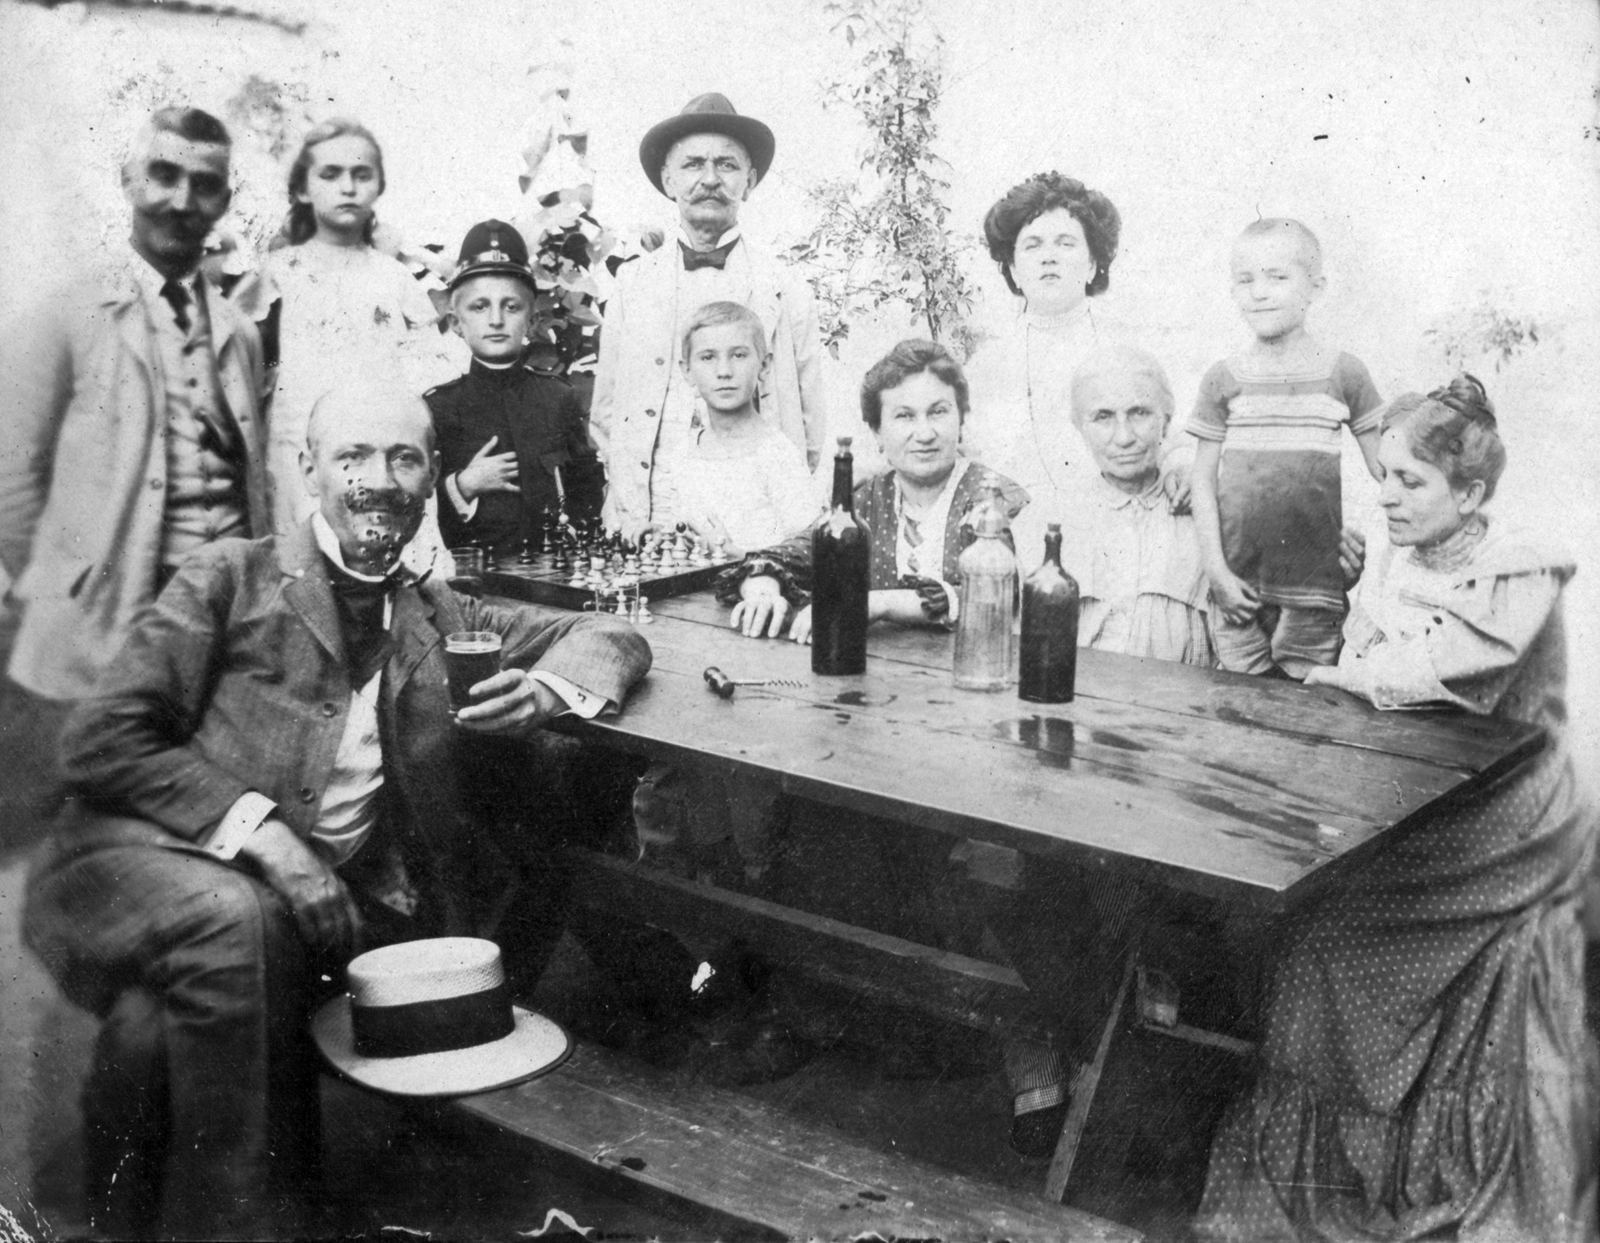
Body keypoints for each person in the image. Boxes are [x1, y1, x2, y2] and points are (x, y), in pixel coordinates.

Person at [21, 379, 651, 1239]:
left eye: (402, 458)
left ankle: (118, 1214)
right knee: (237, 919)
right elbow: (105, 736)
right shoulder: (229, 578)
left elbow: (612, 634)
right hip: (160, 869)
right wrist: (267, 837)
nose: (377, 479)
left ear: (432, 477)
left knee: (146, 1033)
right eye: (353, 455)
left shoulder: (447, 612)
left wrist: (546, 690)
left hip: (318, 920)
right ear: (308, 470)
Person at [1195, 377, 1597, 1241]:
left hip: (1511, 814)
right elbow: (1369, 651)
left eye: (1410, 482)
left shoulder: (1517, 567)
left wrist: (1343, 670)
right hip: (1416, 791)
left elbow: (1435, 671)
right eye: (1385, 476)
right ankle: (1326, 1169)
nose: (1386, 494)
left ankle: (1407, 1171)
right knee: (1299, 924)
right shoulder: (1395, 547)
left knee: (1334, 943)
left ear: (1472, 494)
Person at [0, 106, 270, 719]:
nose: (182, 200)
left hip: (227, 616)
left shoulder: (238, 330)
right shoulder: (69, 311)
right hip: (115, 612)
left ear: (224, 200)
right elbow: (11, 474)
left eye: (204, 184)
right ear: (127, 180)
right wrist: (66, 586)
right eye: (163, 174)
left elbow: (249, 473)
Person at [591, 92, 828, 536]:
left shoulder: (786, 286)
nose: (710, 179)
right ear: (668, 179)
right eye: (693, 164)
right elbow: (606, 412)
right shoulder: (632, 286)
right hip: (647, 519)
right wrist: (630, 500)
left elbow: (810, 429)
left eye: (727, 165)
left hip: (749, 524)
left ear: (750, 181)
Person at [233, 118, 456, 539]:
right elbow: (246, 372)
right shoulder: (278, 275)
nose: (348, 188)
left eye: (361, 175)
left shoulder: (393, 278)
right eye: (330, 175)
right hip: (301, 451)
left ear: (378, 186)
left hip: (381, 450)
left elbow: (432, 365)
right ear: (303, 189)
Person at [723, 338, 1026, 643]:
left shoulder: (993, 496)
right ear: (877, 432)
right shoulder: (869, 501)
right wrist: (763, 592)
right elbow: (793, 554)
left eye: (938, 412)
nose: (924, 433)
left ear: (960, 418)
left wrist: (877, 603)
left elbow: (995, 592)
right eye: (904, 416)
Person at [1187, 217, 1384, 680]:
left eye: (1278, 277)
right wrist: (1216, 573)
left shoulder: (1344, 373)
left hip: (1315, 590)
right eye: (1245, 279)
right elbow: (1202, 479)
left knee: (1311, 714)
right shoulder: (1224, 378)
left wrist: (1364, 543)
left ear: (1316, 287)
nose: (1260, 292)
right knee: (1238, 710)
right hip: (1238, 589)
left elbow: (1390, 471)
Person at [427, 219, 605, 555]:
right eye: (479, 307)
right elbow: (419, 510)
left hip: (554, 579)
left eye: (512, 306)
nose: (496, 320)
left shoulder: (559, 398)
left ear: (532, 320)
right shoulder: (439, 408)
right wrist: (463, 485)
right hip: (476, 586)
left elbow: (587, 493)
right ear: (455, 323)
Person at [1057, 345, 1214, 664]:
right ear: (1079, 426)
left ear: (1166, 421)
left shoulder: (1205, 509)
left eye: (1139, 413)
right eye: (1103, 417)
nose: (1124, 437)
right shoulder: (1053, 519)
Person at [669, 300, 820, 556]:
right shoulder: (684, 451)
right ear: (687, 371)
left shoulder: (777, 453)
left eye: (738, 355)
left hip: (761, 591)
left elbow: (804, 555)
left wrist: (733, 554)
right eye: (708, 357)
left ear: (764, 365)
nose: (724, 371)